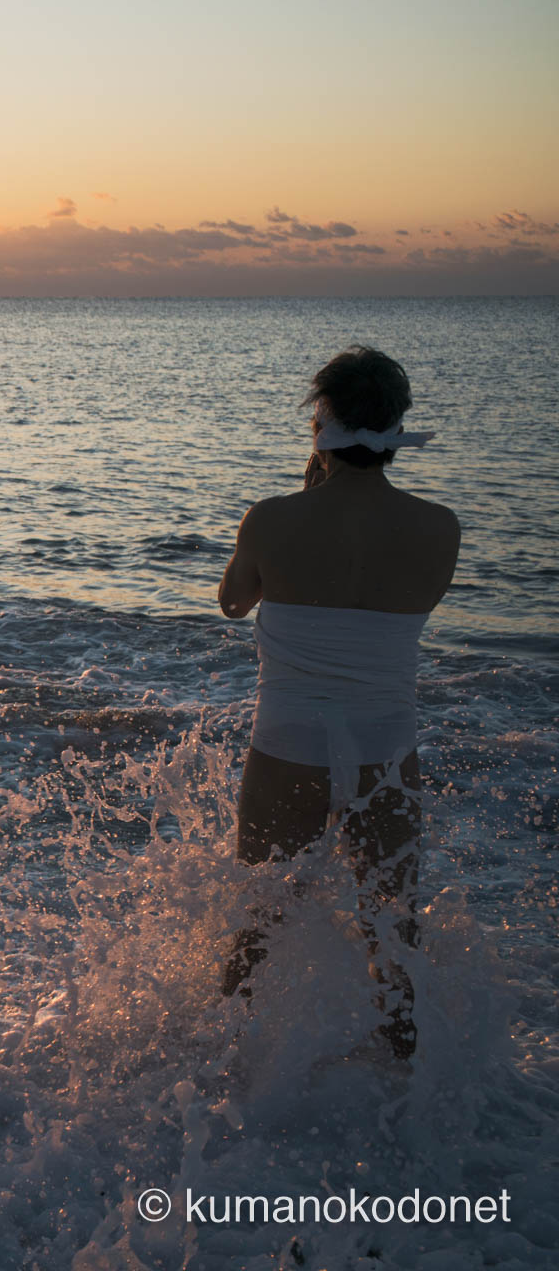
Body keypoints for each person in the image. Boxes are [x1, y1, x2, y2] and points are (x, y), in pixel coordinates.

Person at [216, 346, 460, 1058]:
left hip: (289, 741)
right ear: (396, 429)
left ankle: (220, 1070)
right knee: (393, 928)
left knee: (259, 923)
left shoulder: (271, 519)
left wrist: (303, 499)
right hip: (385, 743)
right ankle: (401, 1080)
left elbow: (233, 602)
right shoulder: (440, 526)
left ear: (319, 425)